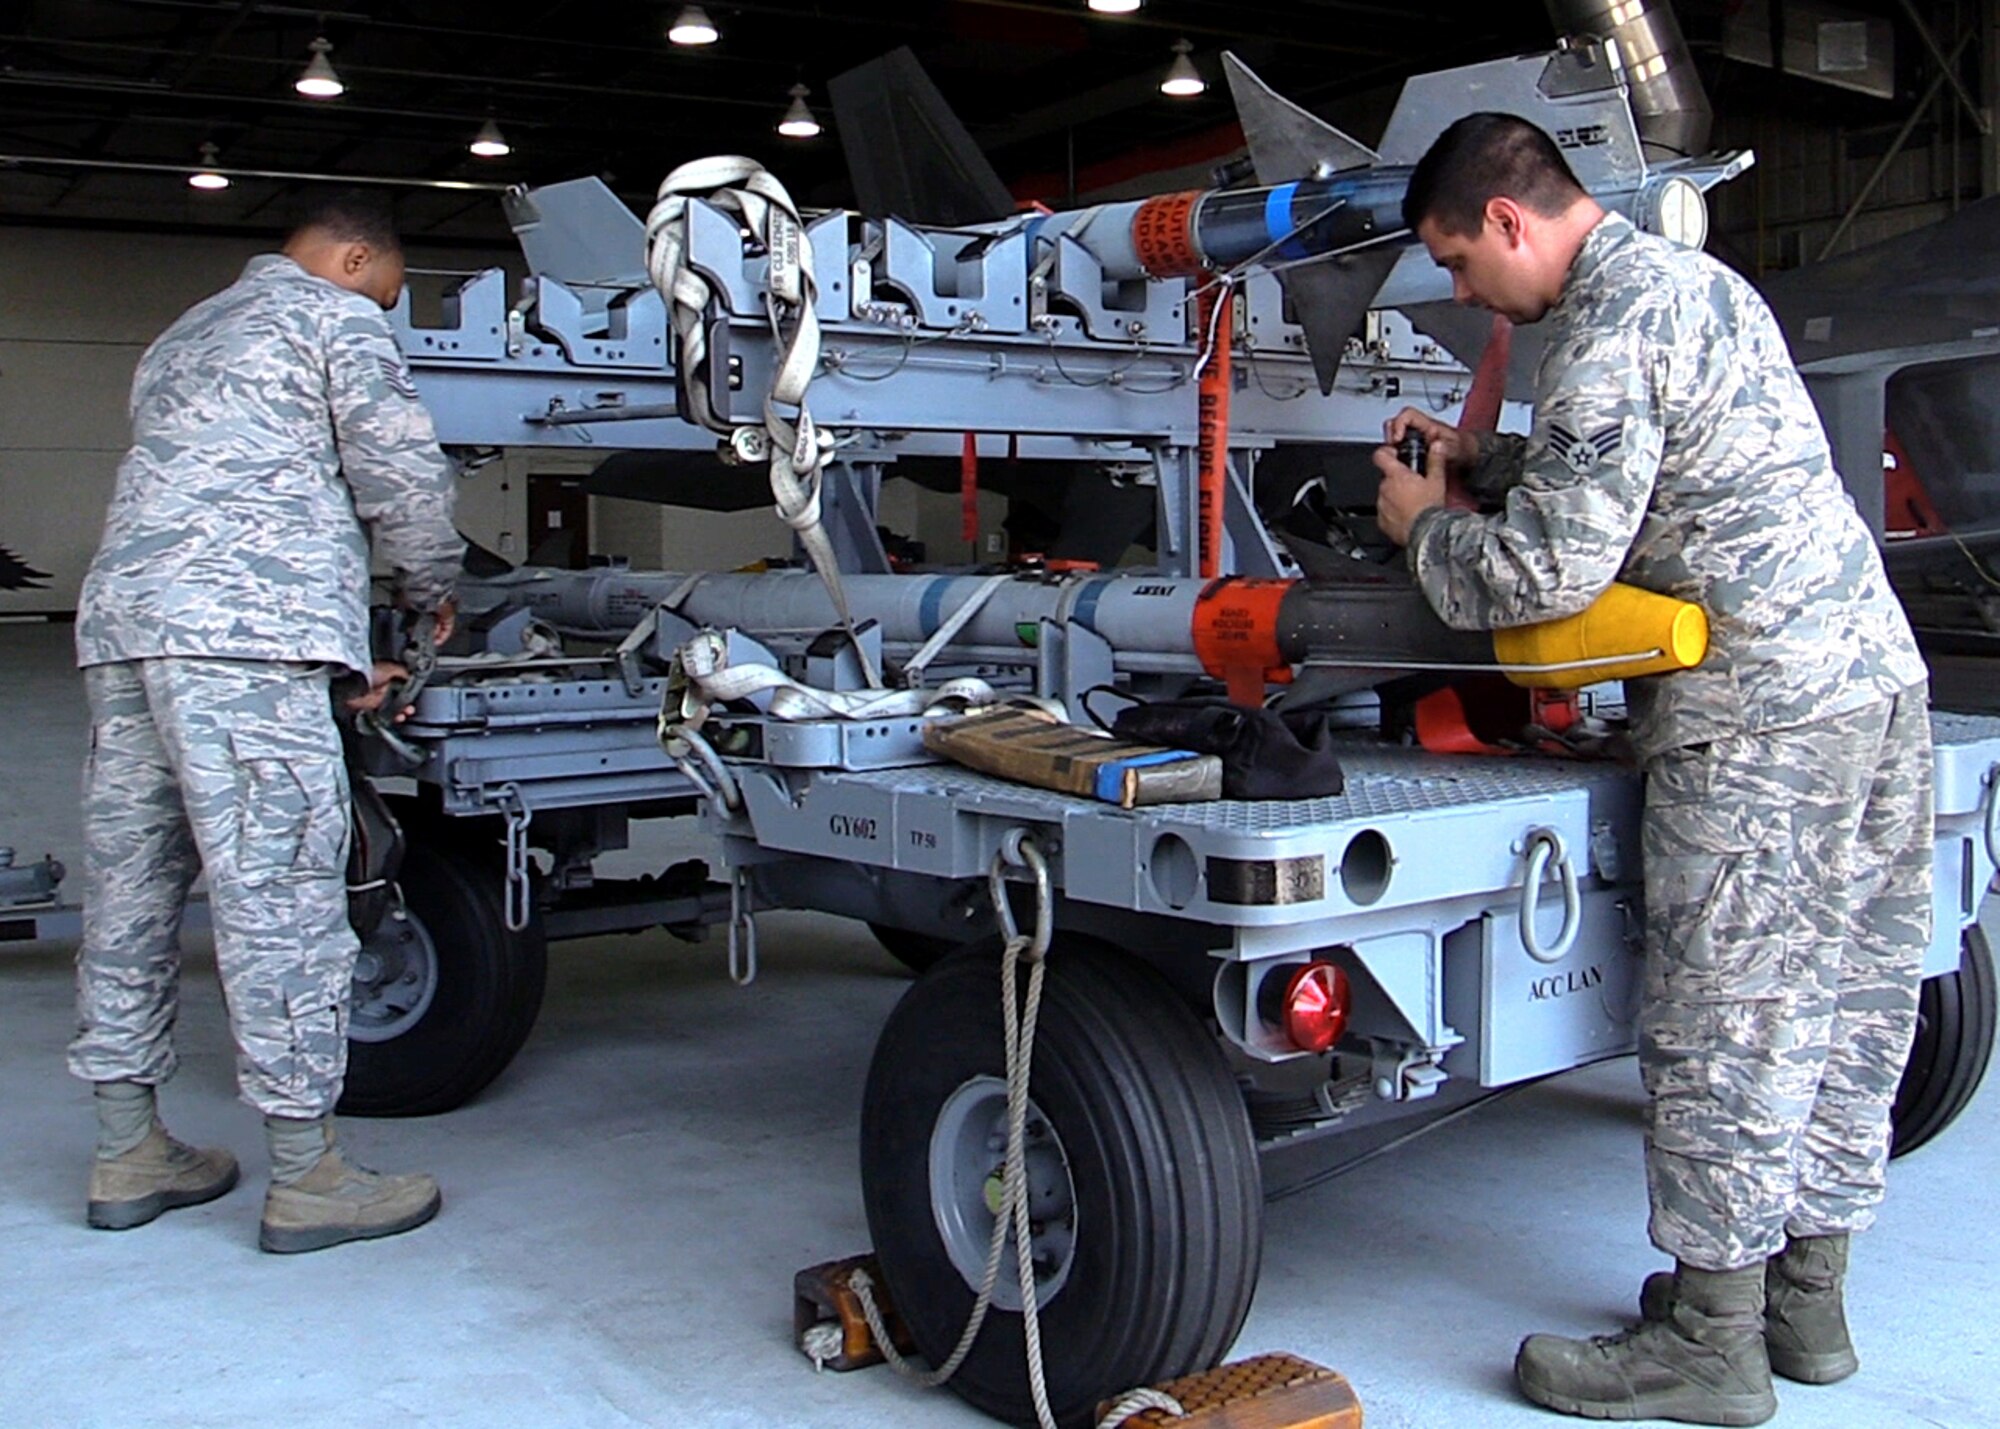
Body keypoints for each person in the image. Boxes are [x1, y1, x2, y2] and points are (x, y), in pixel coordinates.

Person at [1372, 114, 1933, 1426]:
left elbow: (1543, 574)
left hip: (1761, 724)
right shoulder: (1696, 284)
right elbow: (1659, 478)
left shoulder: (1605, 332)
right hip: (1871, 687)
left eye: (1458, 262)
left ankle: (1709, 1348)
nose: (1463, 295)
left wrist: (1424, 531)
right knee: (1848, 1006)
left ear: (1510, 222)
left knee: (1732, 1020)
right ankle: (1806, 1306)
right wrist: (1489, 460)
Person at [70, 189, 462, 1253]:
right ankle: (308, 1174)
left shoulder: (185, 331)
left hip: (127, 628)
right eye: (383, 292)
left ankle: (127, 1146)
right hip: (244, 631)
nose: (382, 309)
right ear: (350, 261)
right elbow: (399, 474)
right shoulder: (333, 319)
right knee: (280, 894)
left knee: (133, 889)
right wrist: (433, 584)